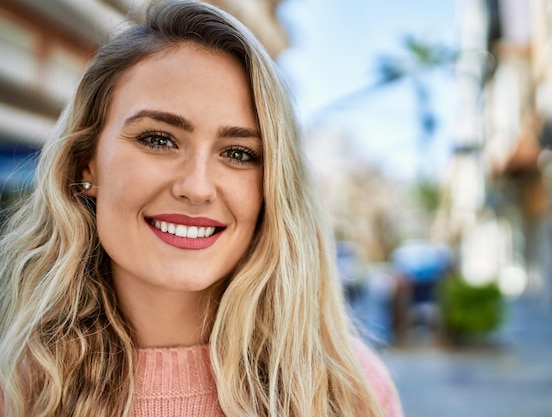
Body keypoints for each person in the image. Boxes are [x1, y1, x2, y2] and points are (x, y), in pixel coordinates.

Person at [0, 1, 404, 416]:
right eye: (159, 139)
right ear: (86, 161)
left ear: (273, 187)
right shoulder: (18, 388)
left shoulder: (348, 392)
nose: (196, 187)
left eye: (238, 153)